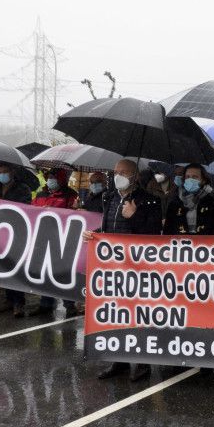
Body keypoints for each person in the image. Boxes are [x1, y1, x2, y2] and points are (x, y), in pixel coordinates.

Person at [85, 158, 162, 381]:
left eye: (124, 172)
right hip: (114, 268)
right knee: (117, 314)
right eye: (116, 171)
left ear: (135, 176)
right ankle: (118, 360)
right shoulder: (109, 198)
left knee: (140, 316)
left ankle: (143, 363)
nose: (117, 175)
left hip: (139, 268)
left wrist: (134, 216)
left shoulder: (150, 201)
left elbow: (154, 235)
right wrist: (95, 234)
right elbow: (109, 228)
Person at [28, 169, 81, 317]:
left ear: (61, 179)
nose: (50, 180)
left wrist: (74, 209)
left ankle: (69, 305)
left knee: (62, 273)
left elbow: (74, 215)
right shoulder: (41, 194)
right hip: (42, 237)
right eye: (49, 177)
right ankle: (45, 303)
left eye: (54, 177)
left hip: (62, 238)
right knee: (44, 273)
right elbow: (30, 211)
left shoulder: (70, 195)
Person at [0, 163, 35, 317]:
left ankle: (18, 302)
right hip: (0, 232)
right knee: (5, 268)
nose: (1, 175)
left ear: (12, 172)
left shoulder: (23, 188)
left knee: (16, 267)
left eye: (4, 172)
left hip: (17, 233)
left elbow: (26, 207)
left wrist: (2, 201)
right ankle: (9, 299)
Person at [164, 163, 214, 236]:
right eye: (187, 177)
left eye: (194, 177)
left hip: (205, 246)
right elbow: (168, 231)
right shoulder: (175, 202)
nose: (190, 179)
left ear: (203, 180)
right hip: (178, 245)